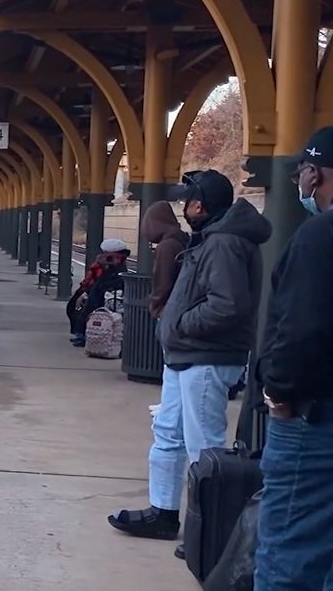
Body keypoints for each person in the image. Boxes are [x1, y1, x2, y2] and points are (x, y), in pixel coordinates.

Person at [108, 169, 271, 546]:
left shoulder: (224, 243)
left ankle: (208, 532)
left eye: (188, 201)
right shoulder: (211, 238)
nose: (184, 208)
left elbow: (227, 305)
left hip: (207, 357)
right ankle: (163, 512)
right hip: (188, 355)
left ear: (201, 205)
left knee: (204, 446)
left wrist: (180, 323)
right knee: (168, 433)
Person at [254, 127, 333, 590]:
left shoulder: (319, 236)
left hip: (313, 420)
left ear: (314, 174)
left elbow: (300, 329)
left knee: (289, 553)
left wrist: (277, 394)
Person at [66, 240, 130, 346]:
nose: (103, 255)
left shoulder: (115, 267)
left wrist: (85, 293)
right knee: (74, 307)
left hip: (102, 294)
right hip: (94, 290)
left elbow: (102, 281)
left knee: (86, 310)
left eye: (106, 252)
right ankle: (80, 333)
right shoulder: (105, 263)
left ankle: (83, 335)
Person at [141, 201, 188, 319]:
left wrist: (156, 307)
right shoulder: (181, 239)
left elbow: (163, 282)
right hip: (183, 305)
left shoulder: (167, 247)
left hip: (170, 310)